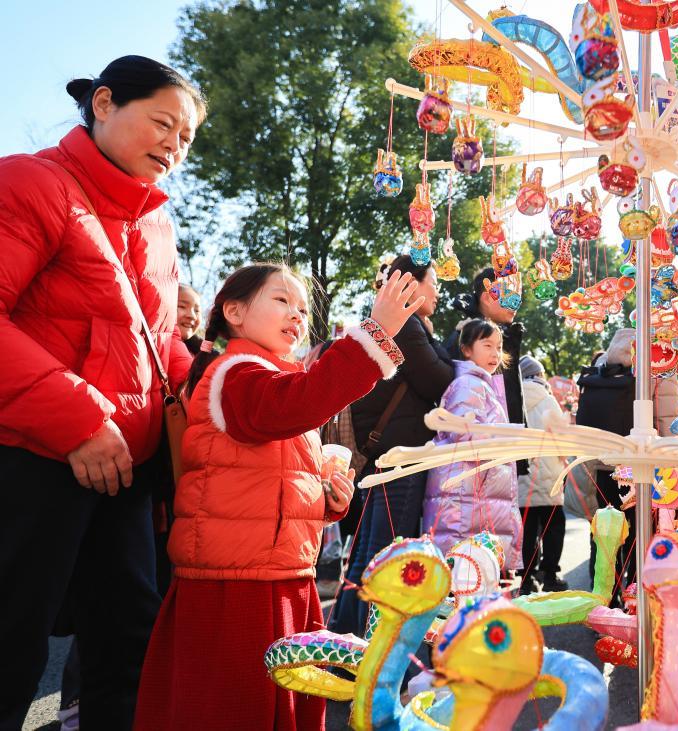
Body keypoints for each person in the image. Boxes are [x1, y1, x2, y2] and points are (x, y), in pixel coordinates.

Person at [0, 56, 204, 731]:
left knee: (129, 648)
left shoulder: (157, 228)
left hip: (129, 474)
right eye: (164, 123)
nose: (174, 146)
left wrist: (217, 404)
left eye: (186, 138)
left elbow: (164, 348)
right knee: (12, 645)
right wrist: (81, 420)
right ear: (106, 102)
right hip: (34, 459)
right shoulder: (32, 181)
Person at [132, 264, 423, 730]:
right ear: (234, 312)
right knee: (240, 708)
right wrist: (376, 332)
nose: (297, 314)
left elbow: (276, 483)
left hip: (276, 572)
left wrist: (329, 498)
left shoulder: (265, 377)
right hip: (240, 583)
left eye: (304, 307)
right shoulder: (235, 373)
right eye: (282, 300)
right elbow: (301, 401)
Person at [329, 255, 454, 636]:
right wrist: (447, 350)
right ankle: (368, 648)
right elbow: (440, 379)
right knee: (386, 554)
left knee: (369, 552)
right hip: (399, 457)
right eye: (433, 281)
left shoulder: (403, 324)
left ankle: (344, 638)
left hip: (388, 455)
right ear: (410, 284)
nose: (437, 290)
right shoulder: (407, 326)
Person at [424, 319, 522, 568]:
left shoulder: (481, 384)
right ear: (466, 349)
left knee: (470, 575)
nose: (495, 353)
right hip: (465, 499)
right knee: (465, 575)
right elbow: (465, 435)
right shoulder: (469, 384)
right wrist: (507, 437)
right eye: (487, 345)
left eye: (498, 347)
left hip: (474, 496)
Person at [575, 328, 638, 604]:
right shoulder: (636, 382)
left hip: (600, 469)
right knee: (634, 536)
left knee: (603, 537)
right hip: (633, 469)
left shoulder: (591, 382)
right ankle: (633, 598)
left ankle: (602, 599)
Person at [446, 268, 527, 474]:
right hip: (478, 456)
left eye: (518, 297)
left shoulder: (504, 336)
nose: (516, 305)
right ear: (488, 298)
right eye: (511, 297)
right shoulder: (465, 336)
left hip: (501, 453)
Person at [517, 355, 568, 594]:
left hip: (522, 474)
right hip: (550, 476)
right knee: (553, 526)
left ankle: (526, 578)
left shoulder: (511, 399)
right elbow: (562, 437)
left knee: (526, 528)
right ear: (538, 375)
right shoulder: (548, 400)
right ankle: (550, 574)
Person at [177, 284, 204, 355]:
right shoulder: (149, 346)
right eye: (182, 306)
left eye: (197, 310)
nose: (193, 316)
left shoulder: (207, 357)